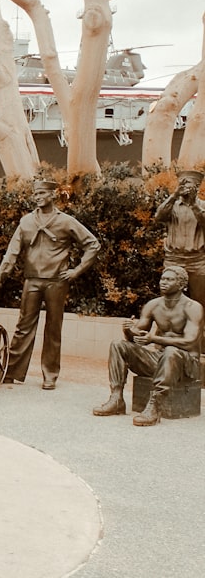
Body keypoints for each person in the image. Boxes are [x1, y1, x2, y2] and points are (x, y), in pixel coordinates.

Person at [0, 179, 100, 389]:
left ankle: (50, 374)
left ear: (53, 194)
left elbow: (93, 245)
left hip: (57, 282)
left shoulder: (67, 221)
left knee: (53, 329)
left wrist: (76, 271)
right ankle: (12, 370)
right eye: (36, 194)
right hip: (32, 280)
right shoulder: (26, 222)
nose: (38, 197)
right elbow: (12, 252)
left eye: (43, 193)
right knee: (23, 327)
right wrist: (0, 276)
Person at [93, 266, 202, 426]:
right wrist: (129, 330)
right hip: (160, 360)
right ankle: (116, 398)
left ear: (181, 284)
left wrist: (154, 339)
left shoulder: (193, 308)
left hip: (186, 365)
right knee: (118, 345)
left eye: (169, 279)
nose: (163, 282)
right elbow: (136, 337)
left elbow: (189, 341)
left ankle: (155, 406)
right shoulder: (153, 305)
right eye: (162, 279)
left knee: (171, 351)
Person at [154, 169, 205, 320]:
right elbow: (159, 216)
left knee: (200, 301)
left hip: (197, 260)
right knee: (169, 299)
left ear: (197, 186)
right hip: (173, 259)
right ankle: (166, 332)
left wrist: (193, 204)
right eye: (181, 184)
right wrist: (174, 196)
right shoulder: (172, 205)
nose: (184, 187)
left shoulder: (202, 206)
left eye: (187, 184)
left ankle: (199, 337)